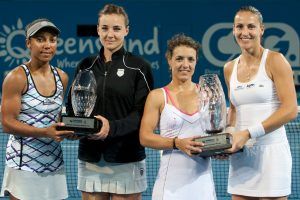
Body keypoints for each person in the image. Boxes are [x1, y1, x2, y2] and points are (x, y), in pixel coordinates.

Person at [65, 4, 154, 200]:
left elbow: (142, 116)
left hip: (127, 157)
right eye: (105, 28)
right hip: (91, 157)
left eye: (116, 28)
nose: (110, 34)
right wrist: (72, 127)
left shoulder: (140, 67)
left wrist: (109, 128)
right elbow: (72, 106)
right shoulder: (85, 65)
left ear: (126, 31)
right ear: (97, 29)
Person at [223, 5, 298, 200]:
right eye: (239, 27)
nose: (245, 32)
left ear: (261, 29)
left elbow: (290, 110)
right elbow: (234, 109)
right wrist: (229, 135)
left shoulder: (276, 60)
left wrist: (247, 133)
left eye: (251, 26)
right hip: (242, 156)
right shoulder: (229, 68)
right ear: (233, 30)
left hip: (272, 155)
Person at [0, 18, 74, 200]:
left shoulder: (62, 77)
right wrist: (44, 132)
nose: (47, 45)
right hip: (23, 165)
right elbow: (7, 124)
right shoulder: (16, 77)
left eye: (52, 40)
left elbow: (57, 118)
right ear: (28, 43)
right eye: (40, 39)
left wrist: (69, 130)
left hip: (54, 163)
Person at [139, 33, 217, 200]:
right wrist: (176, 143)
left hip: (203, 184)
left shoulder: (207, 94)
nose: (185, 65)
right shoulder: (157, 96)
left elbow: (214, 134)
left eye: (191, 59)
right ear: (170, 60)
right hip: (170, 186)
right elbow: (145, 137)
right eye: (179, 59)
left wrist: (220, 148)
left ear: (196, 62)